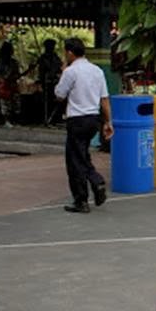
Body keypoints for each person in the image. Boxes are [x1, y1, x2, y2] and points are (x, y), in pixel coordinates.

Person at [54, 37, 112, 213]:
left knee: (74, 160)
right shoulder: (97, 71)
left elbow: (59, 95)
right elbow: (104, 99)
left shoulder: (70, 72)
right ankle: (90, 189)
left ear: (70, 53)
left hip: (77, 119)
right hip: (93, 119)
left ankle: (85, 194)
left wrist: (62, 72)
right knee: (82, 155)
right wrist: (108, 121)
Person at [36, 39, 64, 125]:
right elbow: (41, 71)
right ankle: (46, 118)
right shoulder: (43, 58)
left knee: (56, 100)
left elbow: (60, 68)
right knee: (46, 101)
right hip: (46, 82)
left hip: (55, 82)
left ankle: (56, 118)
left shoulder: (56, 58)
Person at [0, 41, 22, 127]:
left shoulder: (14, 62)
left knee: (16, 103)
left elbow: (17, 74)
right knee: (5, 103)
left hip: (12, 85)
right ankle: (6, 120)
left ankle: (14, 120)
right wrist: (3, 80)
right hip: (3, 86)